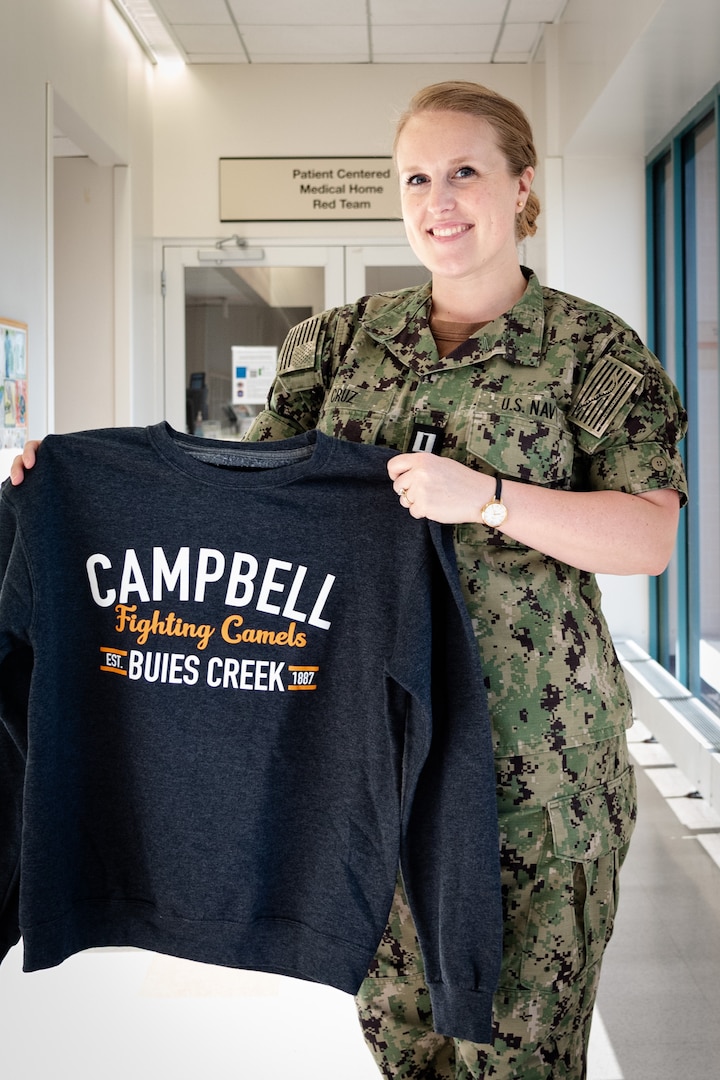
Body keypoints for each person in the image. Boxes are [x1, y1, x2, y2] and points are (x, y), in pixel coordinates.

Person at [10, 81, 687, 1078]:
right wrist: (67, 490)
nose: (439, 201)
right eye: (417, 177)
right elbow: (248, 520)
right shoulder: (335, 349)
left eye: (465, 172)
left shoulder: (593, 354)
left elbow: (647, 539)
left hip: (534, 785)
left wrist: (490, 496)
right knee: (404, 1051)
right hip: (371, 773)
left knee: (522, 1061)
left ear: (521, 186)